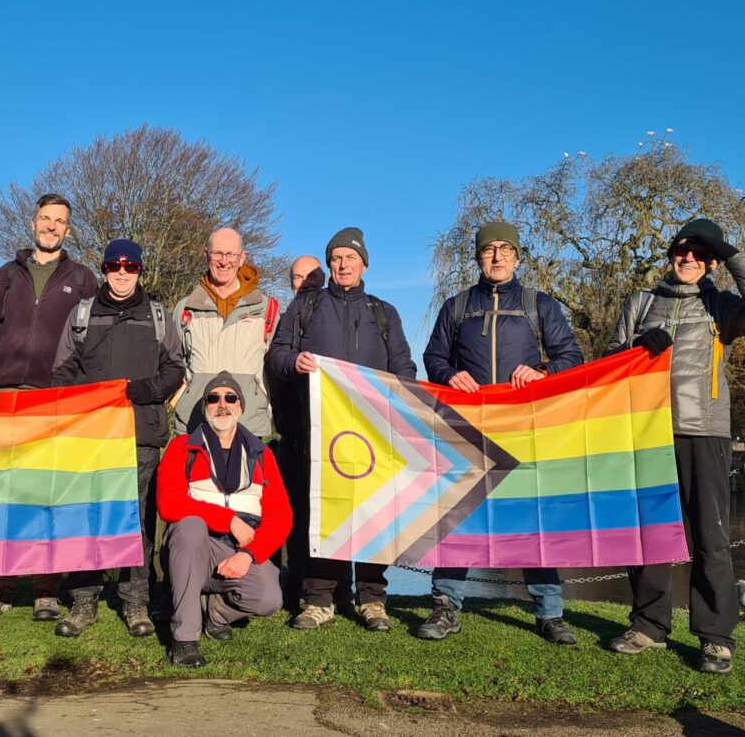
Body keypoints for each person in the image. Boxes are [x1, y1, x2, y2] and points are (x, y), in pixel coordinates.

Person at [420, 221, 584, 645]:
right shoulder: (456, 306)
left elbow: (571, 355)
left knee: (532, 519)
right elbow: (433, 357)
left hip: (523, 429)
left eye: (504, 249)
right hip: (467, 430)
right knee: (457, 517)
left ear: (517, 256)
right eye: (488, 249)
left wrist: (544, 370)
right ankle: (446, 606)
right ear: (478, 257)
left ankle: (549, 612)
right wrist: (451, 374)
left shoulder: (539, 304)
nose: (496, 256)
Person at [605, 218, 745, 674]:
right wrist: (637, 349)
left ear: (711, 262)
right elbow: (608, 363)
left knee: (711, 534)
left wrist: (730, 251)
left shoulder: (721, 304)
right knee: (650, 533)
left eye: (700, 254)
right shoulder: (641, 301)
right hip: (646, 430)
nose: (689, 259)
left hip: (704, 431)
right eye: (682, 250)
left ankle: (715, 637)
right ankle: (648, 626)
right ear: (671, 256)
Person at [268, 227, 417, 632]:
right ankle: (319, 600)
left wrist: (402, 406)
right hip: (321, 432)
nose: (343, 264)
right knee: (326, 511)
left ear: (364, 264)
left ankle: (372, 598)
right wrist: (295, 360)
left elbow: (403, 368)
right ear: (328, 265)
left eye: (350, 258)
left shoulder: (384, 313)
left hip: (372, 433)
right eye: (335, 258)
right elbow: (276, 357)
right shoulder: (305, 308)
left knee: (373, 514)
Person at [51, 239, 185, 639]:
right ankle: (84, 598)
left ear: (140, 271)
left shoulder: (159, 316)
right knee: (87, 515)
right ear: (105, 269)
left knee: (138, 520)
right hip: (91, 435)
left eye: (130, 267)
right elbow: (62, 372)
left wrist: (145, 391)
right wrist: (79, 407)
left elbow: (176, 367)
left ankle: (135, 600)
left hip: (141, 432)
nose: (122, 273)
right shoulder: (82, 314)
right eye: (114, 266)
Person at [0, 193, 96, 621]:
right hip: (6, 394)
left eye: (59, 221)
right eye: (45, 218)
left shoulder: (83, 279)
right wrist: (6, 368)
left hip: (55, 397)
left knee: (47, 494)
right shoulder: (7, 274)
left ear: (68, 229)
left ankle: (45, 589)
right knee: (3, 493)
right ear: (33, 223)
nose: (51, 226)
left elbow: (89, 339)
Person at [158, 372, 291, 668]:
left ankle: (216, 611)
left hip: (238, 549)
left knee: (270, 599)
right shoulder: (182, 448)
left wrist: (249, 555)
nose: (222, 404)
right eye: (213, 398)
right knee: (190, 525)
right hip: (193, 546)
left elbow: (281, 516)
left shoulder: (262, 454)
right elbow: (169, 504)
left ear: (240, 407)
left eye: (230, 398)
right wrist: (228, 519)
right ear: (205, 405)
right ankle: (184, 639)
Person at [172, 227, 279, 439]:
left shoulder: (268, 309)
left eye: (231, 254)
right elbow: (174, 362)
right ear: (206, 255)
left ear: (242, 258)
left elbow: (274, 367)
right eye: (217, 253)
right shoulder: (185, 308)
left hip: (248, 424)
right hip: (195, 423)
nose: (224, 261)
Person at [269, 255, 325, 610]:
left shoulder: (334, 315)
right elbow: (274, 363)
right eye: (296, 277)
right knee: (291, 511)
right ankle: (291, 581)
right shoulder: (285, 317)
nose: (303, 283)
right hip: (291, 430)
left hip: (332, 434)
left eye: (311, 277)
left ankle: (322, 587)